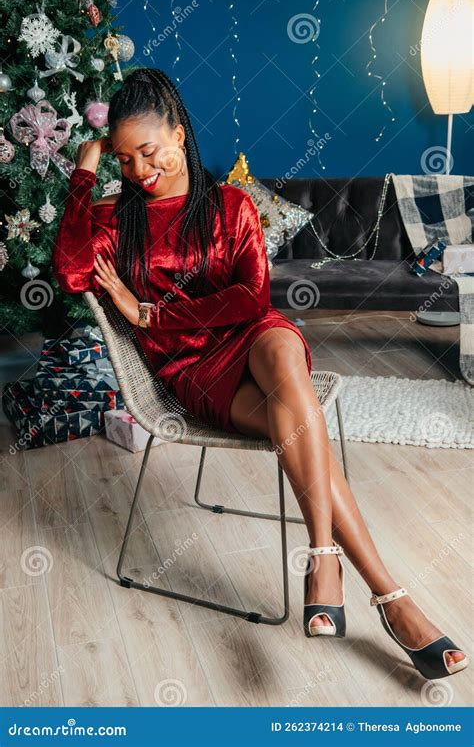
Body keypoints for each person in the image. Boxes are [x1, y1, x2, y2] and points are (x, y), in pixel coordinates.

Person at [52, 67, 468, 681]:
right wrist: (85, 173)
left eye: (149, 152)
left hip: (255, 339)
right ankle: (390, 597)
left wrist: (150, 311)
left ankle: (324, 558)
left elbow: (250, 301)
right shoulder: (120, 220)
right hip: (194, 369)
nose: (140, 172)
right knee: (301, 427)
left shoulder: (231, 205)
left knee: (280, 354)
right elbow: (69, 273)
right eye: (123, 160)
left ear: (178, 130)